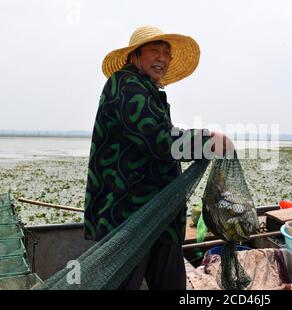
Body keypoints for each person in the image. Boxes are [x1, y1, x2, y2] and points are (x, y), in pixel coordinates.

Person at [83, 26, 233, 289]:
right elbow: (159, 139)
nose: (162, 58)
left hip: (159, 216)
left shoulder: (149, 91)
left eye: (167, 53)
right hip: (129, 218)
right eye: (155, 50)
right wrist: (207, 139)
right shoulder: (125, 84)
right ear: (135, 56)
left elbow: (166, 138)